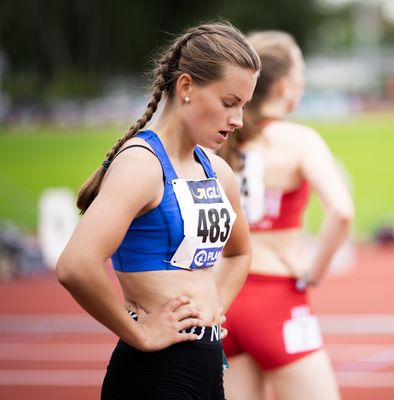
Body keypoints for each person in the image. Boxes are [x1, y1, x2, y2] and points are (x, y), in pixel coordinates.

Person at [56, 21, 261, 400]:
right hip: (155, 375)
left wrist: (213, 310)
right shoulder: (141, 165)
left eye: (244, 106)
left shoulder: (217, 171)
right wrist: (140, 334)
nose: (238, 120)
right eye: (229, 103)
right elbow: (76, 265)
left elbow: (240, 251)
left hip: (207, 367)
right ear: (186, 87)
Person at [216, 31, 354, 400]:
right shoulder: (299, 140)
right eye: (302, 74)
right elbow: (341, 211)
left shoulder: (220, 136)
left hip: (222, 295)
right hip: (275, 297)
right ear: (284, 85)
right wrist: (313, 272)